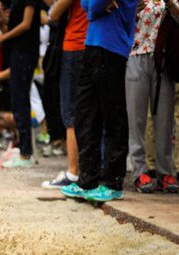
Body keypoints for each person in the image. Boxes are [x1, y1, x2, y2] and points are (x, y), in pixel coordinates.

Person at [61, 0, 138, 202]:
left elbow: (94, 6)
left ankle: (112, 183)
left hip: (112, 45)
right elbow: (88, 5)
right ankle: (87, 180)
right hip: (93, 42)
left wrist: (95, 7)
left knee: (113, 115)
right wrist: (95, 7)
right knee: (86, 115)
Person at [125, 0, 179, 193]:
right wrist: (128, 10)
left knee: (165, 120)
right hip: (134, 54)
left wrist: (173, 8)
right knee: (136, 118)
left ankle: (166, 172)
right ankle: (139, 171)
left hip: (163, 58)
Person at [42, 0, 89, 188]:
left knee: (70, 114)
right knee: (88, 111)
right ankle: (87, 169)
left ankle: (73, 172)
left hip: (74, 45)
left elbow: (53, 14)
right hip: (92, 45)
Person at [0, 0, 41, 167]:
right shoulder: (14, 3)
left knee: (21, 102)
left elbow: (26, 24)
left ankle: (26, 153)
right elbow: (13, 26)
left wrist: (3, 37)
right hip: (16, 52)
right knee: (16, 102)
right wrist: (1, 20)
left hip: (25, 53)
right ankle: (21, 146)